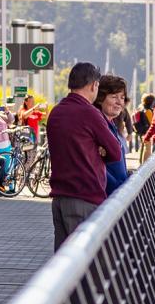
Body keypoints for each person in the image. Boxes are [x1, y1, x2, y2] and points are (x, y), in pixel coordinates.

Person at [46, 62, 120, 248]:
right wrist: (99, 152)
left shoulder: (56, 112)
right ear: (94, 85)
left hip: (59, 199)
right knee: (88, 263)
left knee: (64, 263)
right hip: (85, 197)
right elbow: (115, 152)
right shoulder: (90, 113)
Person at [93, 75, 132, 195]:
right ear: (100, 98)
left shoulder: (111, 124)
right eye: (114, 97)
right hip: (107, 197)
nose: (119, 102)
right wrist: (117, 187)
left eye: (122, 97)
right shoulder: (97, 125)